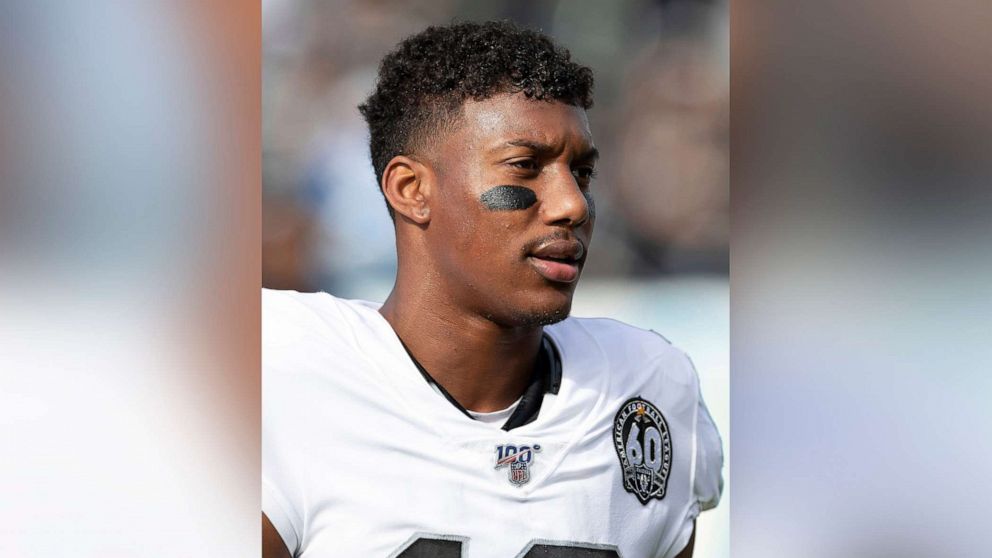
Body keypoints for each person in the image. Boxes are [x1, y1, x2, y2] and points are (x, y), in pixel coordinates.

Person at [262, 21, 723, 558]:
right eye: (525, 167)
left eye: (582, 173)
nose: (571, 204)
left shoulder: (649, 386)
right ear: (411, 190)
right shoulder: (285, 371)